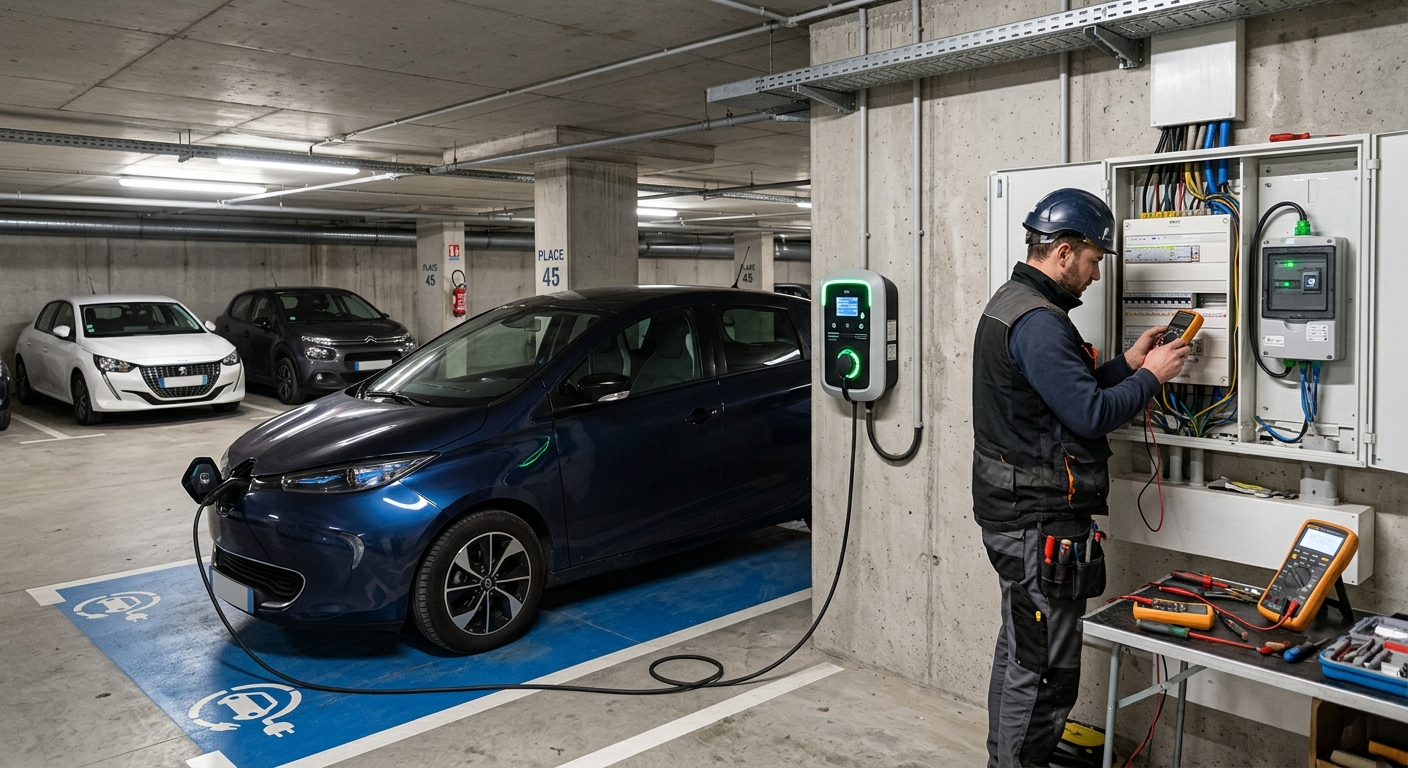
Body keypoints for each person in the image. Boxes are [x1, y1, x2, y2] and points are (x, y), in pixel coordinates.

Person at [972, 188, 1190, 767]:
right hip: (1036, 521)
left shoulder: (1016, 304)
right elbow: (1090, 413)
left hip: (1017, 513)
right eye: (1094, 261)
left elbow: (1068, 392)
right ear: (1064, 252)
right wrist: (1154, 379)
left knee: (1021, 655)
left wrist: (1129, 364)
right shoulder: (1040, 323)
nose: (1096, 275)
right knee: (1043, 673)